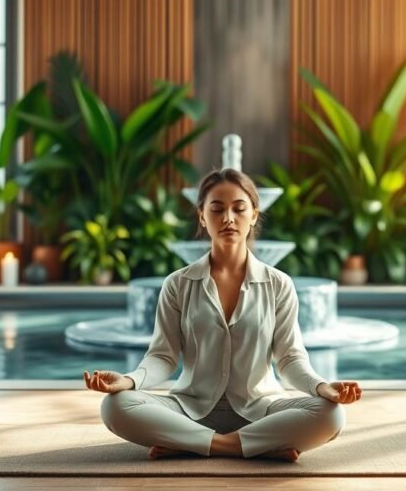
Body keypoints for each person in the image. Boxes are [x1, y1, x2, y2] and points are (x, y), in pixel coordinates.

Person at [83, 168, 361, 461]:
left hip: (261, 410)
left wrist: (321, 386)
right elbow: (162, 358)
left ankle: (193, 445)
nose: (228, 218)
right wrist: (128, 381)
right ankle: (251, 447)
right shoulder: (177, 284)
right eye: (217, 209)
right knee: (115, 406)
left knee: (331, 414)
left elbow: (290, 358)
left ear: (254, 214)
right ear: (202, 216)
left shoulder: (279, 284)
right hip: (189, 410)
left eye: (239, 209)